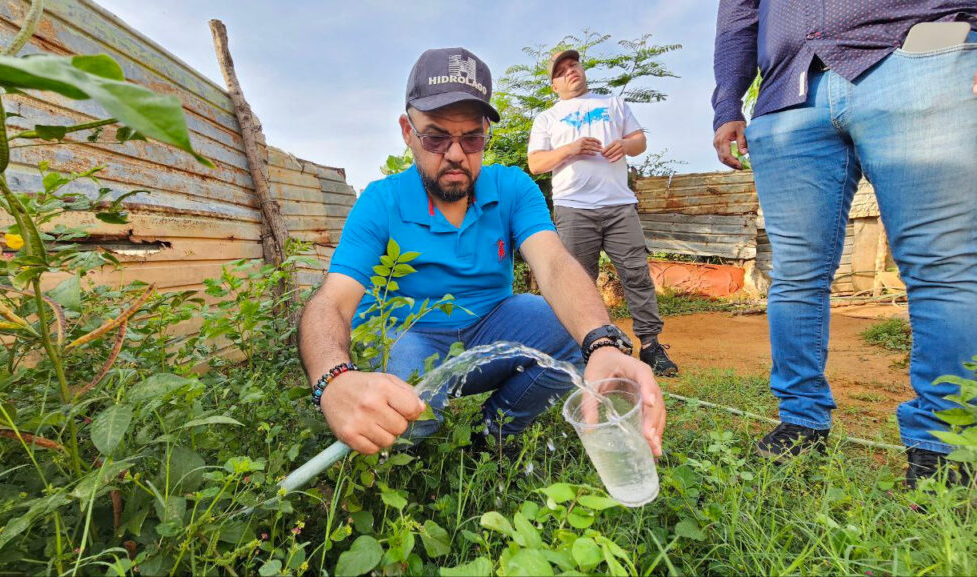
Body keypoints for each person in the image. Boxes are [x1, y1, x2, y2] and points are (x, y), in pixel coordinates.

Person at [298, 47, 665, 457]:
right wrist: (334, 379)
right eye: (436, 137)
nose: (455, 154)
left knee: (571, 333)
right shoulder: (381, 201)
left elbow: (554, 263)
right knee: (407, 414)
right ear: (407, 132)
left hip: (492, 326)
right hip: (411, 336)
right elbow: (332, 300)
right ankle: (408, 457)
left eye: (471, 138)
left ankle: (492, 436)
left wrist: (601, 342)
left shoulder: (512, 188)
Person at [711, 1, 977, 487]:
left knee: (941, 264)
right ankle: (800, 419)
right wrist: (728, 103)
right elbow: (738, 15)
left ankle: (945, 444)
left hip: (920, 55)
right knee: (794, 275)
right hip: (787, 92)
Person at [527, 50, 679, 377]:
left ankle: (650, 346)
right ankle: (584, 348)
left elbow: (639, 141)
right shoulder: (547, 118)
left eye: (573, 65)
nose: (570, 71)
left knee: (636, 274)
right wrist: (570, 149)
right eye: (561, 71)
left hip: (619, 205)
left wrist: (624, 145)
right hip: (573, 207)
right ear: (554, 85)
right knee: (577, 280)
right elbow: (536, 163)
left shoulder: (613, 103)